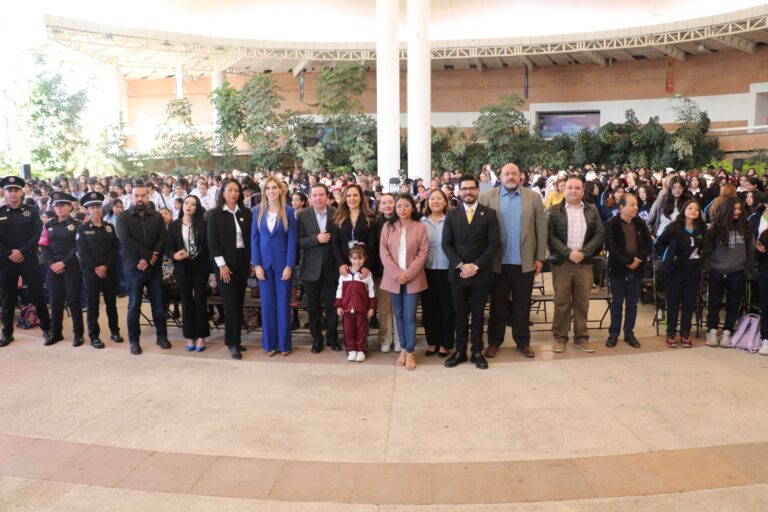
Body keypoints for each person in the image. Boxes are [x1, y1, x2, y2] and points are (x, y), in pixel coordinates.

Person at [480, 163, 547, 359]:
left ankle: (523, 341)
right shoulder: (486, 197)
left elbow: (541, 229)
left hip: (524, 261)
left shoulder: (533, 197)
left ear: (521, 176)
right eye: (506, 174)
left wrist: (540, 258)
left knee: (522, 303)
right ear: (500, 176)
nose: (510, 177)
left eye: (514, 173)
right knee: (497, 305)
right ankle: (494, 342)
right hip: (496, 262)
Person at [442, 175, 500, 370]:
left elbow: (494, 244)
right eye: (464, 189)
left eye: (471, 188)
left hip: (480, 273)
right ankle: (459, 351)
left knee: (477, 314)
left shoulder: (489, 214)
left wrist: (475, 266)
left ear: (477, 190)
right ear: (459, 191)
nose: (468, 192)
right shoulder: (451, 213)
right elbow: (446, 244)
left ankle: (477, 351)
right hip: (458, 273)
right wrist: (461, 265)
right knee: (459, 314)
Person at [547, 176, 605, 353]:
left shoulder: (592, 210)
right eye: (569, 187)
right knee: (562, 302)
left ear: (582, 190)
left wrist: (584, 253)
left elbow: (599, 234)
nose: (573, 191)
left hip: (584, 264)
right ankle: (560, 337)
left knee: (582, 302)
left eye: (577, 188)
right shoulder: (554, 211)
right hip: (562, 263)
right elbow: (550, 237)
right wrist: (568, 253)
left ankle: (581, 337)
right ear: (564, 190)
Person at [116, 185, 169, 355]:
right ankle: (134, 341)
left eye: (143, 196)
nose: (140, 199)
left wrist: (152, 259)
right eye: (136, 196)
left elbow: (162, 239)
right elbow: (126, 241)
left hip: (154, 268)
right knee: (134, 306)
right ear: (131, 197)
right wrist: (147, 257)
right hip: (134, 268)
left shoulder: (157, 217)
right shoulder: (123, 217)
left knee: (159, 305)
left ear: (148, 197)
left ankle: (162, 337)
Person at [0, 176, 53, 347]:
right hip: (7, 261)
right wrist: (10, 254)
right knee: (8, 298)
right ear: (4, 192)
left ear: (21, 191)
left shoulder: (31, 211)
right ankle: (7, 333)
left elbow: (37, 234)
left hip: (28, 259)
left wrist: (21, 252)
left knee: (38, 295)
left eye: (16, 190)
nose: (13, 193)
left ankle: (47, 329)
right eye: (9, 190)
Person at [379, 193, 428, 370]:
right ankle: (403, 350)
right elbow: (383, 252)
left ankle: (410, 352)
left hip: (413, 278)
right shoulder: (388, 226)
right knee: (398, 314)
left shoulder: (420, 227)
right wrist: (397, 273)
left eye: (406, 205)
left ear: (412, 207)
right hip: (393, 278)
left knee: (409, 315)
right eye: (399, 206)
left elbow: (423, 253)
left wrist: (407, 274)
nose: (402, 209)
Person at [251, 176, 297, 357]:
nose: (271, 191)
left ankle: (284, 345)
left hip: (283, 265)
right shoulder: (257, 212)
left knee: (283, 305)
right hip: (264, 266)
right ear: (264, 192)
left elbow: (292, 241)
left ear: (280, 190)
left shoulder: (289, 212)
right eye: (268, 188)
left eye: (274, 188)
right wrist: (256, 264)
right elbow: (254, 240)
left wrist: (289, 265)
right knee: (268, 305)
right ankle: (269, 345)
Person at [207, 179, 253, 360]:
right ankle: (231, 343)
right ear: (223, 193)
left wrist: (251, 261)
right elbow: (213, 242)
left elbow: (249, 240)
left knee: (239, 302)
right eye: (230, 190)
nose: (234, 193)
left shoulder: (246, 213)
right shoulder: (215, 214)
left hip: (242, 262)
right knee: (230, 304)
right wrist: (222, 266)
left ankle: (236, 339)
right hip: (224, 265)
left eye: (236, 190)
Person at [703, 196, 754, 348]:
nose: (737, 212)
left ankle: (727, 331)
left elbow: (750, 251)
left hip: (737, 272)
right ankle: (712, 330)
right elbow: (706, 251)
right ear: (726, 210)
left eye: (739, 209)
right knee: (714, 303)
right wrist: (708, 268)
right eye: (734, 209)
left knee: (733, 304)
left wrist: (746, 270)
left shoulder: (747, 227)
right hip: (716, 271)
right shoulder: (715, 228)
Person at [655, 199, 706, 348]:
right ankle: (671, 333)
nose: (693, 211)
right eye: (690, 208)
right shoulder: (673, 227)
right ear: (684, 210)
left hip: (693, 270)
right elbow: (658, 244)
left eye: (696, 209)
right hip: (675, 271)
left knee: (689, 303)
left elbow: (706, 247)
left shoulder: (702, 229)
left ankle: (685, 333)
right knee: (673, 302)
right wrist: (670, 257)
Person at [603, 193, 652, 348]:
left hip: (637, 269)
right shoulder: (612, 224)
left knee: (632, 304)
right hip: (618, 269)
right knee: (617, 302)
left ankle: (629, 333)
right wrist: (629, 261)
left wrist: (637, 259)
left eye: (636, 204)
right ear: (622, 207)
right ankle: (613, 334)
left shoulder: (640, 223)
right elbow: (612, 246)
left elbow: (648, 244)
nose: (635, 207)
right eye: (632, 205)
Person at [297, 184, 340, 353]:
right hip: (310, 268)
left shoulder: (335, 214)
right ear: (310, 198)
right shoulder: (302, 216)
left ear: (327, 197)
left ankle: (332, 338)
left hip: (331, 268)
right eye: (314, 195)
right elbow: (298, 242)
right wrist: (316, 239)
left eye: (321, 195)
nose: (318, 198)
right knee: (313, 307)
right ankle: (317, 339)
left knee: (332, 306)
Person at [76, 191, 123, 349]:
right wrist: (97, 268)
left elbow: (116, 248)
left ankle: (115, 331)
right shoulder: (82, 230)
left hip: (108, 270)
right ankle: (94, 336)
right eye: (92, 207)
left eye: (98, 206)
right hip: (91, 272)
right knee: (93, 304)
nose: (96, 210)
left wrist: (106, 266)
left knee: (111, 303)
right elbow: (82, 253)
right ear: (87, 210)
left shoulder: (109, 227)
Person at [39, 192, 84, 347]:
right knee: (55, 302)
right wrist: (52, 263)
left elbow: (77, 247)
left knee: (73, 301)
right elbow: (44, 246)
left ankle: (78, 335)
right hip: (53, 267)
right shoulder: (48, 224)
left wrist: (63, 263)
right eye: (56, 205)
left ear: (70, 207)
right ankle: (56, 333)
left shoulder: (78, 225)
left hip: (71, 266)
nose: (59, 208)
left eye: (62, 205)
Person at [167, 195, 211, 352]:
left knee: (200, 301)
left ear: (197, 208)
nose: (188, 206)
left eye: (193, 204)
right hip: (182, 268)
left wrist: (212, 271)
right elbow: (168, 247)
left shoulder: (203, 224)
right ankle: (190, 336)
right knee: (186, 302)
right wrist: (174, 255)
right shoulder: (174, 225)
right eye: (186, 203)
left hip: (200, 268)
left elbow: (209, 248)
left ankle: (201, 336)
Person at [420, 188, 454, 357]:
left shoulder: (451, 220)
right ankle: (432, 342)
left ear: (445, 201)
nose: (435, 201)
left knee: (446, 308)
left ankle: (445, 343)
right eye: (432, 198)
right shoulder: (422, 222)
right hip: (426, 270)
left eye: (439, 198)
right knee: (429, 308)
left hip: (447, 269)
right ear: (428, 202)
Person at [335, 245, 376, 362]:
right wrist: (339, 305)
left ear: (365, 259)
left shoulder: (367, 275)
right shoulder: (344, 274)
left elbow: (372, 292)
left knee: (362, 330)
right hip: (347, 309)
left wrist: (372, 308)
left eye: (360, 258)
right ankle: (351, 349)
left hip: (362, 309)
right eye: (354, 258)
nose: (357, 261)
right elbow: (339, 290)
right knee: (349, 330)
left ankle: (361, 350)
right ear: (349, 258)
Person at [372, 193, 400, 353]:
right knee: (384, 309)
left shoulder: (402, 221)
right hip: (381, 272)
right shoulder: (375, 224)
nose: (388, 205)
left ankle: (399, 340)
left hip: (398, 271)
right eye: (384, 203)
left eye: (391, 202)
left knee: (398, 308)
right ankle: (385, 339)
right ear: (379, 205)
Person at [332, 184, 377, 276]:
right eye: (348, 195)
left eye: (355, 195)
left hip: (363, 266)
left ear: (361, 197)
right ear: (344, 198)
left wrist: (367, 266)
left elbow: (372, 245)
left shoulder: (370, 218)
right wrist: (341, 264)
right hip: (344, 267)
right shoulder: (337, 218)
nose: (352, 198)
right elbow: (335, 243)